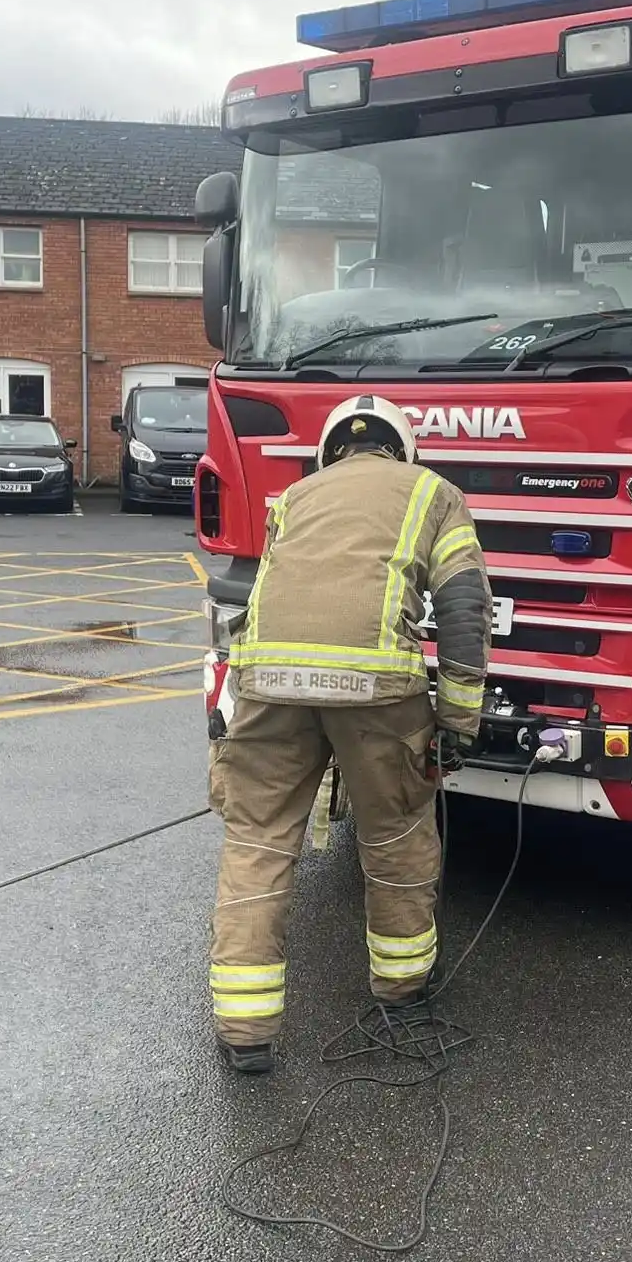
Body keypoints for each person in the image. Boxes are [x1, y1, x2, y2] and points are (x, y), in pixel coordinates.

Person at [207, 394, 493, 1073]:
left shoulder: (295, 497)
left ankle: (244, 1030)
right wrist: (457, 722)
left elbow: (261, 602)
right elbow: (463, 607)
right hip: (377, 693)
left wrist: (226, 717)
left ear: (330, 450)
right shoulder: (434, 493)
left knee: (257, 838)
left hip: (268, 687)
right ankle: (400, 988)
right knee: (394, 832)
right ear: (401, 449)